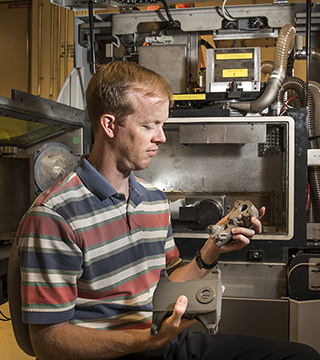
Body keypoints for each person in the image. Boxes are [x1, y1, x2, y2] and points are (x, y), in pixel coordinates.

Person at [16, 61, 319, 360]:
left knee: (302, 356)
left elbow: (166, 284)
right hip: (118, 352)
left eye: (161, 124)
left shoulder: (152, 199)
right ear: (109, 125)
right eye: (149, 126)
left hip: (165, 343)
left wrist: (211, 249)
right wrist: (146, 340)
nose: (161, 137)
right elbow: (48, 342)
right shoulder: (55, 216)